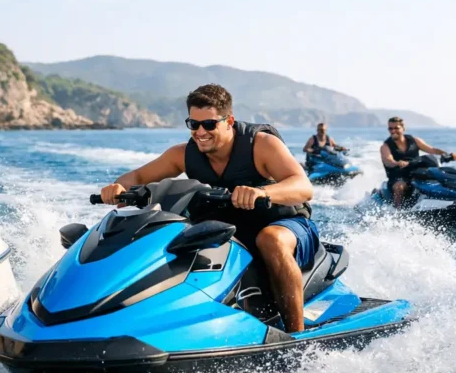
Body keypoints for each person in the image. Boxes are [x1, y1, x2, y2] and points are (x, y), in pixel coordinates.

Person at [99, 84, 316, 333]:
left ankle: (295, 338)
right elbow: (137, 176)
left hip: (284, 222)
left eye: (209, 124)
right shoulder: (182, 154)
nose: (201, 132)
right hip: (233, 226)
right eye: (194, 124)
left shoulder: (261, 145)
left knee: (270, 240)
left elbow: (303, 186)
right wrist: (117, 188)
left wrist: (262, 192)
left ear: (229, 121)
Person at [380, 117, 456, 207]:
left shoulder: (414, 140)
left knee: (440, 178)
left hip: (416, 173)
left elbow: (432, 150)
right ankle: (397, 214)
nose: (393, 131)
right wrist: (398, 163)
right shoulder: (385, 146)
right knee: (399, 187)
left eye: (396, 128)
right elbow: (388, 161)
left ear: (403, 128)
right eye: (390, 128)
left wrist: (448, 155)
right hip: (398, 176)